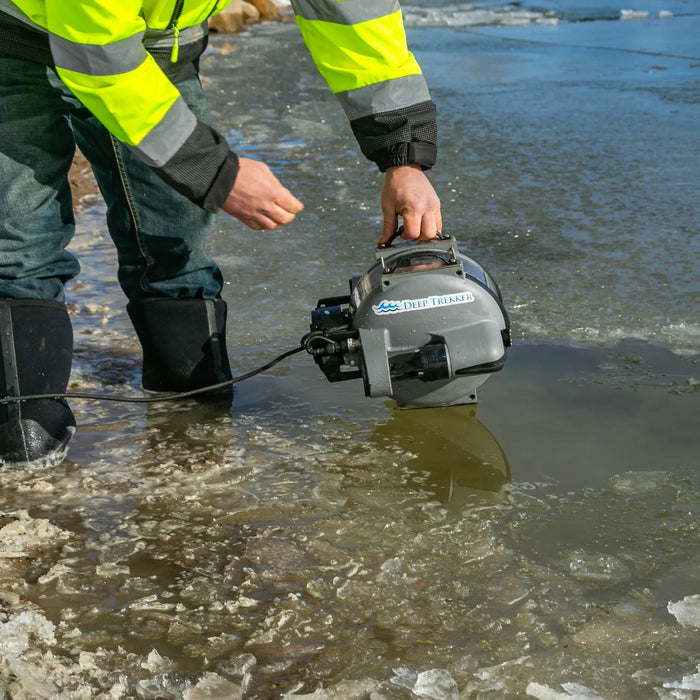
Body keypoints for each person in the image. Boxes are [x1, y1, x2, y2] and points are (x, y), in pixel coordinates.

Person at [0, 0, 442, 468]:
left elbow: (357, 18)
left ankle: (194, 427)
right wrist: (214, 170)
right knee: (19, 242)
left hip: (158, 54)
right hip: (17, 40)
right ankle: (25, 465)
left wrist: (402, 157)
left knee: (175, 237)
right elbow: (96, 49)